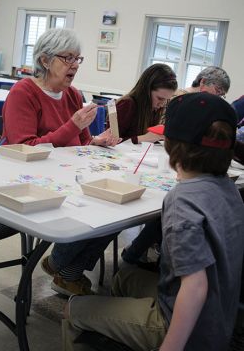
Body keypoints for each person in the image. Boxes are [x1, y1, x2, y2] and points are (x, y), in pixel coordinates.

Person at [63, 92, 244, 351]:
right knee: (123, 278)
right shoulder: (229, 188)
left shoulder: (182, 201)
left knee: (73, 308)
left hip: (191, 330)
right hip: (221, 314)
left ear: (170, 145)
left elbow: (195, 286)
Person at [2, 27, 120, 296]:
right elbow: (24, 148)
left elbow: (79, 144)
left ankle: (62, 267)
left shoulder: (73, 94)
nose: (75, 65)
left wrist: (96, 142)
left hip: (66, 176)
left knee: (114, 209)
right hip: (29, 181)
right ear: (45, 61)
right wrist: (72, 126)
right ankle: (65, 269)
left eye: (78, 59)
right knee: (98, 208)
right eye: (68, 58)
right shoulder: (24, 92)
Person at [121, 65, 231, 267]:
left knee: (163, 210)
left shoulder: (183, 200)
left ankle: (138, 254)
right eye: (218, 92)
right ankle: (138, 254)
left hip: (157, 167)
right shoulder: (177, 102)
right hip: (139, 164)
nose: (163, 104)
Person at [109, 63, 178, 143]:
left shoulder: (154, 108)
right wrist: (144, 138)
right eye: (160, 98)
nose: (162, 104)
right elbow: (110, 141)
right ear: (146, 91)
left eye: (167, 100)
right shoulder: (127, 104)